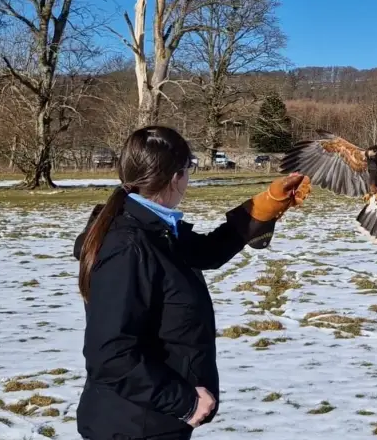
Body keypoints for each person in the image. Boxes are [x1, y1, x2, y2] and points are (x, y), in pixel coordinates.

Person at [72, 126, 310, 440]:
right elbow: (110, 356)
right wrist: (183, 402)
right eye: (189, 170)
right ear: (176, 177)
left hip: (151, 420)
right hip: (133, 425)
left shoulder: (155, 228)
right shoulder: (129, 245)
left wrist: (265, 205)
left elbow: (206, 252)